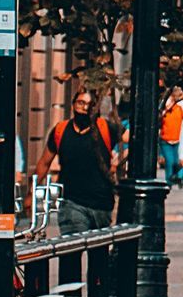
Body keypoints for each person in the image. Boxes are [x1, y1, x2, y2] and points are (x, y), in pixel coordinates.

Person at [35, 85, 120, 235]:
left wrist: (120, 159)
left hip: (102, 205)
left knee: (98, 250)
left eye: (90, 104)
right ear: (73, 104)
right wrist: (32, 193)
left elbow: (133, 139)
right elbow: (44, 162)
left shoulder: (105, 128)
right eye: (81, 103)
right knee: (74, 246)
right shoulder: (61, 130)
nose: (85, 108)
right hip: (72, 203)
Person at [159, 86, 183, 186]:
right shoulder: (163, 112)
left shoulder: (179, 109)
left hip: (178, 139)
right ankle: (169, 181)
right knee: (169, 162)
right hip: (166, 140)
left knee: (178, 161)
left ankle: (179, 178)